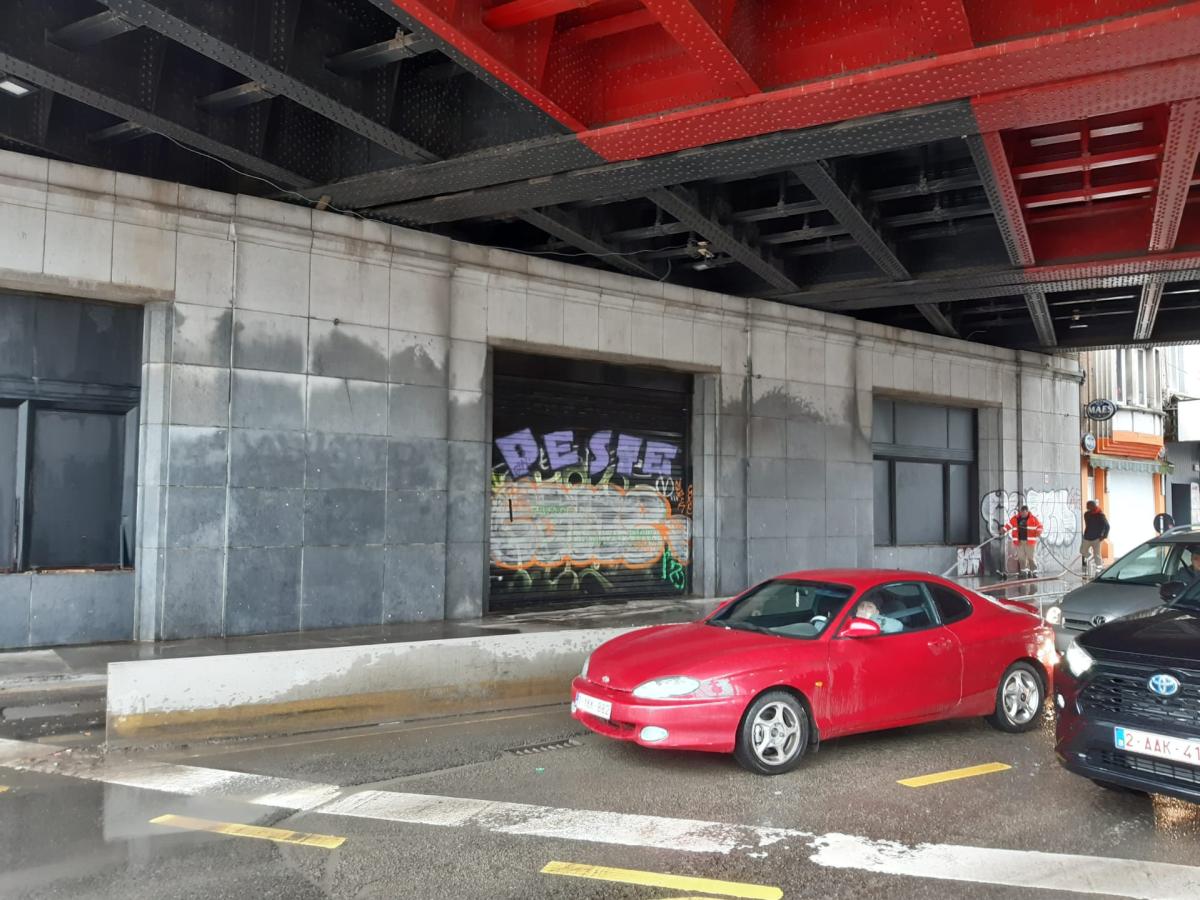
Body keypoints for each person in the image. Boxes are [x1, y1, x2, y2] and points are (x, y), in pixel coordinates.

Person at [1005, 504, 1043, 577]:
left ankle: (1034, 571)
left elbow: (1040, 526)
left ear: (1027, 511)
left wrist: (1038, 532)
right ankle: (1024, 571)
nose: (1022, 514)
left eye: (1024, 512)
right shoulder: (1016, 518)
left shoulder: (1033, 519)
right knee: (1021, 557)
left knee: (1030, 557)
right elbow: (1009, 525)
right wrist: (1003, 530)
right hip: (1019, 542)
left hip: (1030, 542)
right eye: (1021, 512)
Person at [1080, 500, 1110, 574]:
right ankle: (1092, 559)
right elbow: (1089, 525)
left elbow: (1107, 526)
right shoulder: (1086, 514)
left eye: (1088, 505)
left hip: (1097, 538)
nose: (1086, 507)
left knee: (1097, 553)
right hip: (1087, 537)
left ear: (1093, 506)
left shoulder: (1100, 515)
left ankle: (1099, 569)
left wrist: (1104, 536)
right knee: (1082, 551)